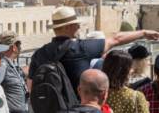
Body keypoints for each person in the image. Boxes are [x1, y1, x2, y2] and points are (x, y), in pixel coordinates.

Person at [28, 6, 159, 93]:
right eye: (76, 24)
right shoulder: (81, 48)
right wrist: (143, 33)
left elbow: (31, 86)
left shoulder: (39, 54)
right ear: (69, 27)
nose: (78, 27)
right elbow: (116, 39)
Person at [0, 31, 29, 113]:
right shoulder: (2, 65)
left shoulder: (12, 63)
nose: (21, 48)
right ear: (14, 47)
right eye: (19, 45)